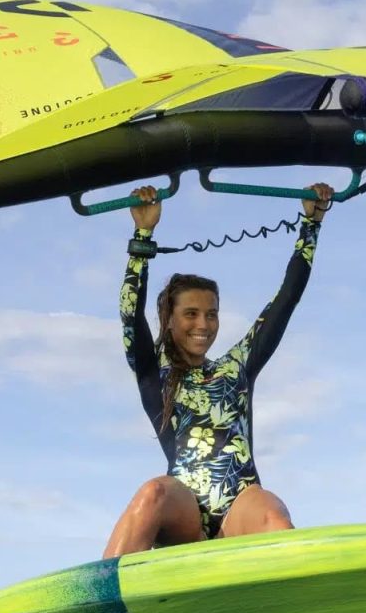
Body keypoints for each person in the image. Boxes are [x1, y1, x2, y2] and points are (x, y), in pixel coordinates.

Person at [103, 182, 333, 557]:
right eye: (191, 314)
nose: (204, 324)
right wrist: (143, 236)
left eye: (211, 314)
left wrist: (312, 224)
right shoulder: (153, 373)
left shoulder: (236, 367)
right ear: (170, 320)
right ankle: (102, 598)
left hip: (239, 508)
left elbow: (285, 300)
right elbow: (130, 314)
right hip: (184, 515)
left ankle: (292, 599)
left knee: (274, 515)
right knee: (152, 493)